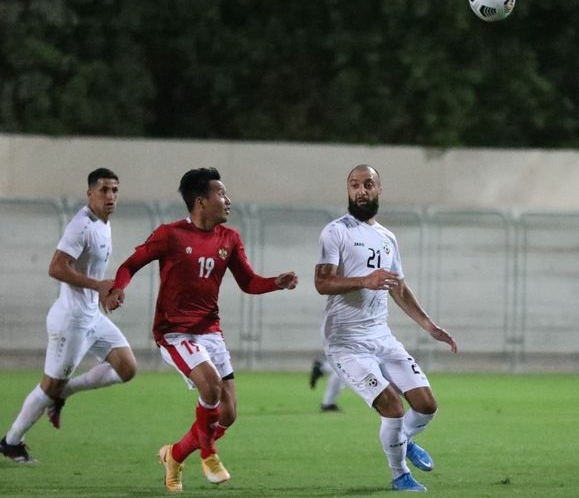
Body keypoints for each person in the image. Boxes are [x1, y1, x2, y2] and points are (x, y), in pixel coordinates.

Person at [104, 167, 298, 492]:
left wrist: (275, 283)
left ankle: (175, 454)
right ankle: (208, 454)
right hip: (174, 332)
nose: (228, 200)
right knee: (210, 387)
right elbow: (130, 264)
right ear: (201, 201)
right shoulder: (170, 235)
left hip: (210, 330)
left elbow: (248, 282)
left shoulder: (229, 239)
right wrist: (119, 287)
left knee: (230, 412)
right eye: (221, 194)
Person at [314, 165, 458, 493]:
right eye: (354, 185)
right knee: (393, 406)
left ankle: (403, 440)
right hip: (345, 342)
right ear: (348, 190)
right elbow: (322, 282)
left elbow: (399, 289)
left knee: (426, 405)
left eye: (368, 184)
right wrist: (365, 280)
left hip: (381, 336)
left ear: (379, 190)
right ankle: (399, 474)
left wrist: (429, 325)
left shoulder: (387, 238)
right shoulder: (335, 232)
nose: (360, 190)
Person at [0, 168, 137, 463]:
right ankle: (11, 441)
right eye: (104, 189)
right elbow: (56, 268)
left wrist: (106, 292)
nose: (110, 195)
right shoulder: (81, 225)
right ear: (90, 193)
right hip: (71, 322)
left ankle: (65, 392)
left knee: (127, 368)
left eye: (114, 189)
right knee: (49, 387)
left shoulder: (103, 223)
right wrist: (98, 285)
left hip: (92, 317)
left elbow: (92, 274)